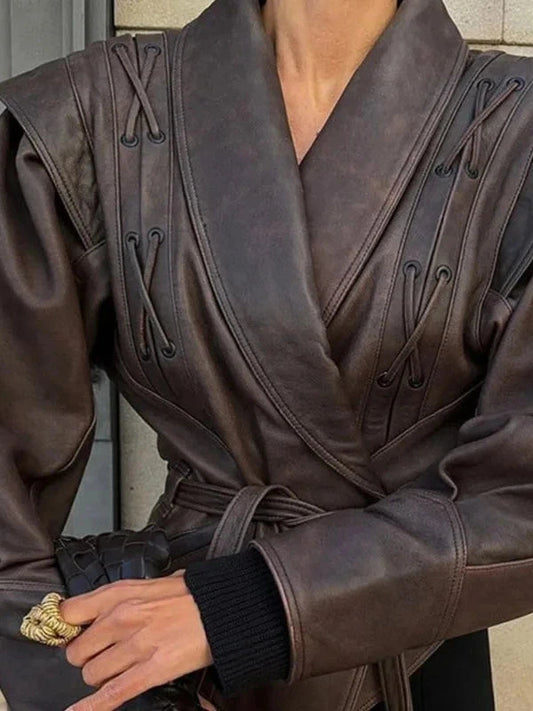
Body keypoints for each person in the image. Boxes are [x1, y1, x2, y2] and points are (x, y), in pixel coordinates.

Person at [0, 0, 532, 709]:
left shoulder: (518, 134)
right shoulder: (89, 115)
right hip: (167, 669)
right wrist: (75, 667)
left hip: (415, 649)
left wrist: (250, 607)